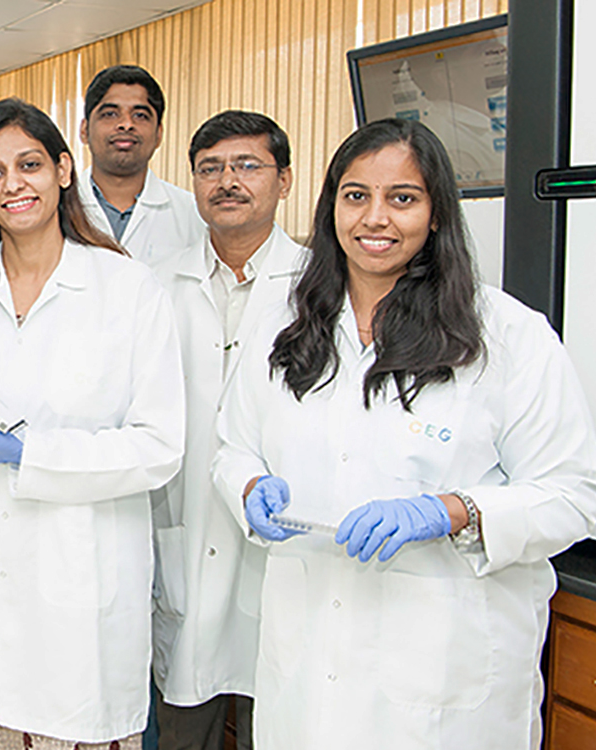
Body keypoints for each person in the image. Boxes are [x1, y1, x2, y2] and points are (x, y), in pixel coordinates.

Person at [212, 118, 596, 748]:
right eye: (356, 195)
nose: (375, 218)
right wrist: (249, 484)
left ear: (437, 213)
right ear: (331, 204)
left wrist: (452, 511)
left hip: (445, 686)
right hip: (307, 671)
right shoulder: (285, 325)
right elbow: (234, 447)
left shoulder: (506, 335)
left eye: (403, 198)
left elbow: (573, 495)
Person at [0, 98, 184, 750]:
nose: (12, 185)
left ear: (62, 169)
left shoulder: (127, 290)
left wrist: (38, 455)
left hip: (78, 616)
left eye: (28, 164)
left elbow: (161, 446)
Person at [149, 111, 305, 750]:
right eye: (210, 169)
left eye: (247, 166)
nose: (227, 181)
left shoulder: (322, 285)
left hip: (288, 544)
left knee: (285, 717)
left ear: (284, 180)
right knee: (186, 721)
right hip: (183, 528)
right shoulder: (157, 285)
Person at [78, 65, 203, 264]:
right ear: (84, 130)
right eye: (110, 114)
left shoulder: (195, 215)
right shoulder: (55, 209)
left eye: (140, 116)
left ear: (158, 134)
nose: (126, 124)